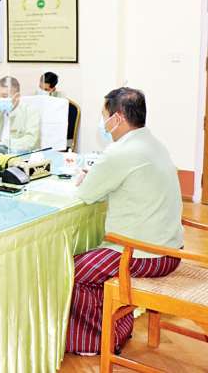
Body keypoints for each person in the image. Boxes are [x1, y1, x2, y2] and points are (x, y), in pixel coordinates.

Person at [66, 87, 183, 356]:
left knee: (76, 269)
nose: (103, 122)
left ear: (117, 118)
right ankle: (119, 327)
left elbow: (85, 194)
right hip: (170, 249)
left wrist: (87, 178)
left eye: (104, 115)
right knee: (93, 260)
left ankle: (96, 342)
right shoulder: (153, 143)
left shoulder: (120, 152)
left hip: (146, 255)